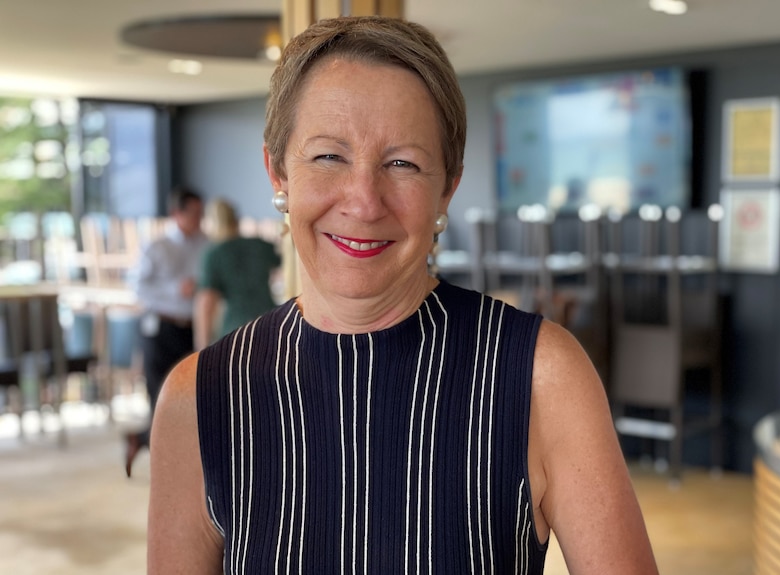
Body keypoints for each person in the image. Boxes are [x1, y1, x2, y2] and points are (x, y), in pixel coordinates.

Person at [147, 16, 658, 574]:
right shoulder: (197, 400)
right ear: (278, 175)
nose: (364, 201)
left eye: (403, 163)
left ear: (448, 186)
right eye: (328, 156)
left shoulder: (540, 374)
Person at [126, 186, 208, 478]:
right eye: (194, 213)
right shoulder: (157, 246)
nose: (199, 218)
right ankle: (161, 464)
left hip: (192, 329)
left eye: (202, 213)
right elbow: (137, 287)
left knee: (190, 396)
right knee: (160, 394)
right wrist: (175, 288)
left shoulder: (207, 244)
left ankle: (155, 447)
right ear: (177, 213)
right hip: (160, 328)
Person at [194, 198, 282, 350]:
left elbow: (207, 302)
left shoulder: (214, 254)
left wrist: (201, 349)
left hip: (236, 329)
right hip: (271, 323)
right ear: (236, 219)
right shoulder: (259, 244)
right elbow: (283, 260)